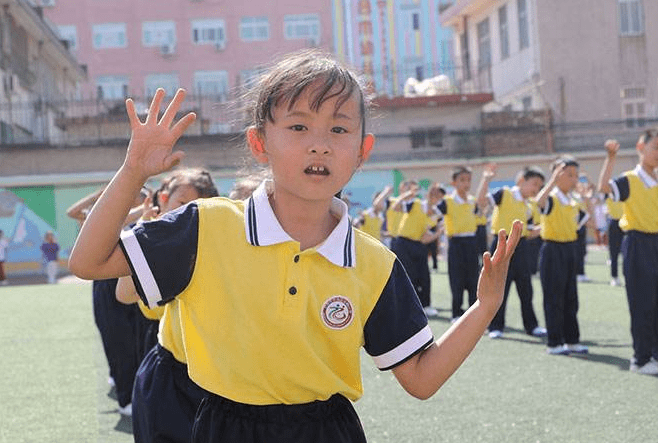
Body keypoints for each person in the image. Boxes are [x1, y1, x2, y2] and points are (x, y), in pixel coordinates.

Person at [68, 50, 521, 443]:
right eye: (299, 127)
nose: (319, 146)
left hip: (327, 431)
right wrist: (132, 172)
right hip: (221, 426)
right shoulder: (206, 226)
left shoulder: (373, 264)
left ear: (363, 151)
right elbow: (89, 261)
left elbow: (421, 378)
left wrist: (484, 306)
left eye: (338, 131)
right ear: (259, 142)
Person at [115, 167, 218, 443]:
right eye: (181, 204)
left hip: (214, 378)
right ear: (163, 199)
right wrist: (142, 238)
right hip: (170, 373)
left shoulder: (215, 247)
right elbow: (124, 294)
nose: (186, 215)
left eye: (197, 207)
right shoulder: (161, 245)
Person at [66, 185, 151, 416]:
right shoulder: (104, 217)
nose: (136, 196)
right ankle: (125, 398)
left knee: (140, 339)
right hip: (107, 283)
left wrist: (146, 205)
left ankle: (136, 389)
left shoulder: (149, 213)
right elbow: (72, 212)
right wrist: (100, 194)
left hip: (138, 281)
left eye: (139, 194)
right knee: (116, 339)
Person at [597, 136, 658, 375]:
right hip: (638, 243)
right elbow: (604, 188)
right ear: (641, 148)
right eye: (656, 147)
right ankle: (640, 360)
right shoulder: (631, 179)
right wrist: (610, 159)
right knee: (642, 303)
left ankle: (654, 354)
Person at [479, 165, 547, 339]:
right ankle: (495, 326)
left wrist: (547, 226)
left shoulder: (530, 205)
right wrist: (486, 179)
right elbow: (481, 202)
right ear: (521, 181)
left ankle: (531, 326)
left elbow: (531, 231)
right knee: (500, 287)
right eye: (535, 184)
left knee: (526, 289)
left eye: (540, 186)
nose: (536, 189)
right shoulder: (505, 193)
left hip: (522, 246)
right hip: (501, 244)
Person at [535, 155, 589, 355]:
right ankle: (554, 342)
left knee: (570, 298)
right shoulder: (552, 197)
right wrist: (553, 179)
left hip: (570, 249)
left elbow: (585, 220)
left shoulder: (573, 201)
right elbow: (538, 201)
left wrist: (586, 197)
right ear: (557, 176)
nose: (574, 179)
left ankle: (572, 340)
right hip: (552, 250)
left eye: (576, 175)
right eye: (569, 175)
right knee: (554, 297)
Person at [436, 165, 488, 322]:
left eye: (469, 180)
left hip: (472, 242)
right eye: (462, 180)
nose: (466, 183)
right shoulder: (447, 202)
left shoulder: (472, 201)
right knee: (457, 279)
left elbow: (480, 213)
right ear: (453, 183)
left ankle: (473, 313)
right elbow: (432, 214)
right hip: (456, 243)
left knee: (473, 279)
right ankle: (456, 313)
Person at [390, 181, 442, 317]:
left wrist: (437, 234)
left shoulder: (435, 214)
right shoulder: (415, 204)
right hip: (403, 243)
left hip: (419, 245)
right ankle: (409, 306)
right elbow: (395, 207)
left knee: (424, 276)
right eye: (434, 195)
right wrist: (407, 194)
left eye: (439, 197)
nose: (435, 199)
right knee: (409, 275)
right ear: (429, 195)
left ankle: (426, 305)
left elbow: (426, 238)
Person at [605, 195, 624, 286]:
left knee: (627, 251)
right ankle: (614, 276)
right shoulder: (608, 192)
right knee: (614, 252)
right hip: (613, 222)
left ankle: (627, 275)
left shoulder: (624, 189)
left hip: (625, 221)